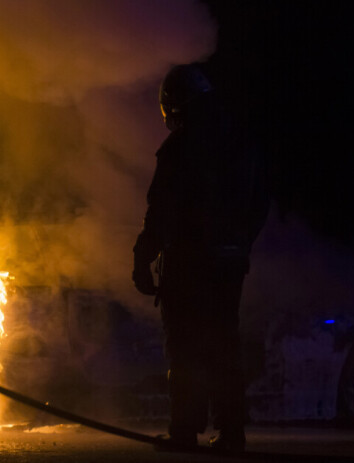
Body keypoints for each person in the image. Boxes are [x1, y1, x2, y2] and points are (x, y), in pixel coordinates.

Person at [133, 64, 268, 452]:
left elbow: (160, 212)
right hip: (229, 265)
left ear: (175, 106)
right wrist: (238, 244)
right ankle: (231, 433)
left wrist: (143, 260)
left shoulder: (179, 148)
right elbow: (260, 203)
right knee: (224, 344)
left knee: (185, 348)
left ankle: (184, 431)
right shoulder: (242, 141)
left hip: (188, 266)